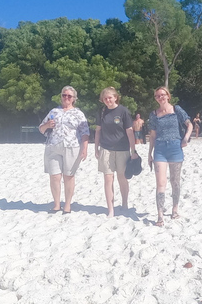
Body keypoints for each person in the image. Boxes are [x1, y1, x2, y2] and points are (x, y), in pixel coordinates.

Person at [39, 86, 90, 214]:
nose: (66, 98)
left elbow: (85, 132)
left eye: (69, 96)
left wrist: (85, 148)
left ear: (74, 99)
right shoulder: (54, 111)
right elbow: (41, 129)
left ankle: (67, 205)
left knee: (69, 176)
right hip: (53, 146)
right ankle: (56, 205)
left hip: (72, 147)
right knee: (54, 177)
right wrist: (47, 125)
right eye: (64, 95)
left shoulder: (78, 113)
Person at [147, 87, 193, 227]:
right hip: (160, 149)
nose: (160, 97)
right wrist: (149, 153)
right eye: (157, 96)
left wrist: (186, 138)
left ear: (168, 96)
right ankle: (160, 215)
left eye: (162, 95)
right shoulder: (154, 114)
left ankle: (174, 209)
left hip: (175, 147)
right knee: (161, 183)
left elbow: (189, 124)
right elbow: (153, 135)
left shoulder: (176, 109)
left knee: (175, 181)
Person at [95, 87, 139, 217]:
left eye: (110, 97)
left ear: (115, 97)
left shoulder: (123, 111)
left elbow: (130, 132)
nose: (108, 100)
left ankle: (124, 203)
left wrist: (133, 150)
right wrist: (96, 148)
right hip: (106, 148)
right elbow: (98, 131)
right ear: (102, 100)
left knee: (122, 178)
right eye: (105, 98)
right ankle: (111, 209)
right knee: (108, 179)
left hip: (122, 149)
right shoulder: (101, 112)